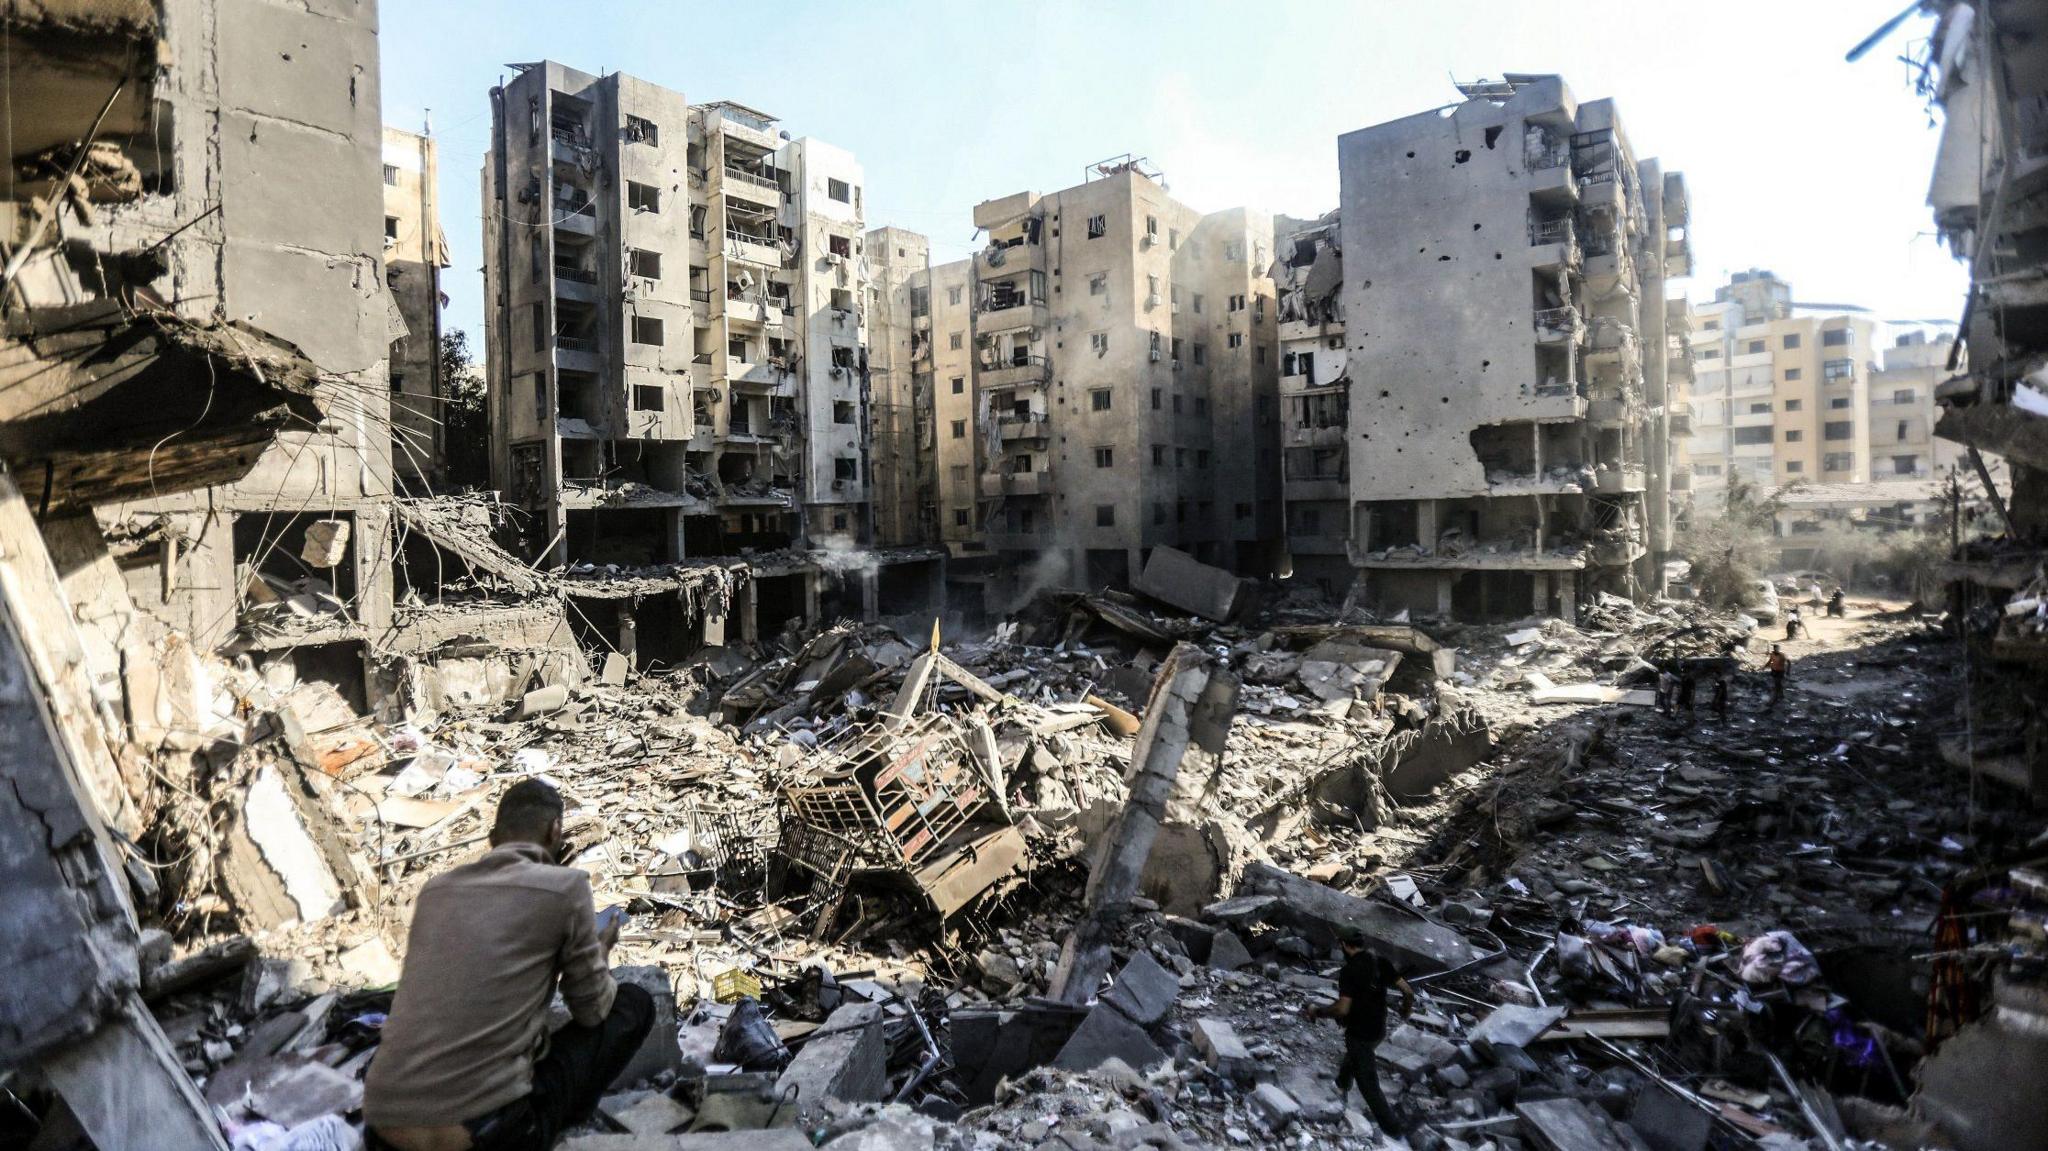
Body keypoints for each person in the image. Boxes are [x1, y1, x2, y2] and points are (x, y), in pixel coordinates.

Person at [365, 780, 653, 1151]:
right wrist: (600, 952)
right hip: (487, 1135)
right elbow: (592, 1011)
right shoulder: (566, 887)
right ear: (555, 831)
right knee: (633, 1003)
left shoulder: (435, 891)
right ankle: (558, 1128)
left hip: (383, 1131)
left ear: (491, 838)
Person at [1304, 925, 1414, 1135]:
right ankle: (1341, 1084)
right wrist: (1405, 1011)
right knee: (1356, 1055)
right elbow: (1408, 991)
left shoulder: (1349, 971)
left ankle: (1394, 1130)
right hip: (1379, 1028)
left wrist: (1317, 1011)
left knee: (1369, 1084)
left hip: (1360, 1032)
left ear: (1345, 945)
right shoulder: (1380, 962)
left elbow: (1342, 1008)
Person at [1765, 644, 1789, 709]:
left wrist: (1788, 671)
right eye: (1776, 648)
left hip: (1781, 671)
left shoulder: (1782, 655)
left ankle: (1775, 699)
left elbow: (1789, 662)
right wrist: (1765, 666)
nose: (1777, 650)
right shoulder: (1772, 654)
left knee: (1778, 683)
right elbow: (1770, 661)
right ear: (1774, 649)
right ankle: (1781, 695)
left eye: (1778, 648)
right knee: (1777, 683)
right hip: (1774, 670)